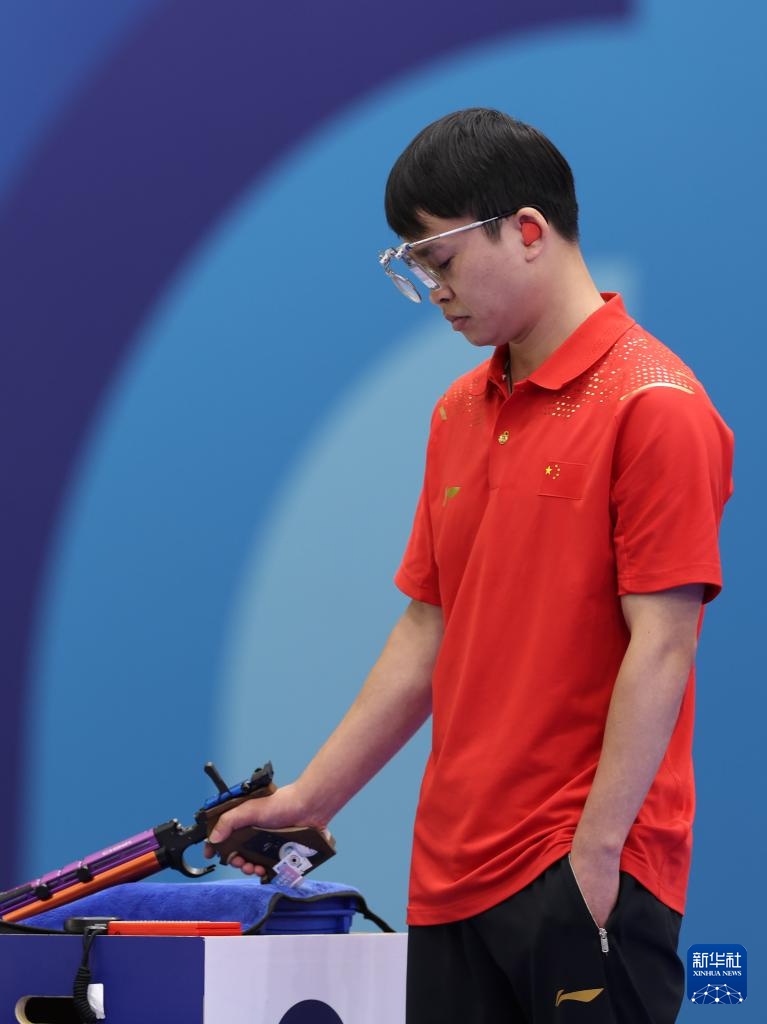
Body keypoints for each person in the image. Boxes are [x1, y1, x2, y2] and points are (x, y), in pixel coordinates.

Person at [207, 109, 734, 1022]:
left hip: (578, 871)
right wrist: (310, 798)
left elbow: (663, 644)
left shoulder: (657, 406)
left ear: (526, 230)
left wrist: (595, 857)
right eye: (415, 268)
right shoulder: (457, 410)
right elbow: (429, 623)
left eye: (440, 260)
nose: (434, 291)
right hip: (448, 874)